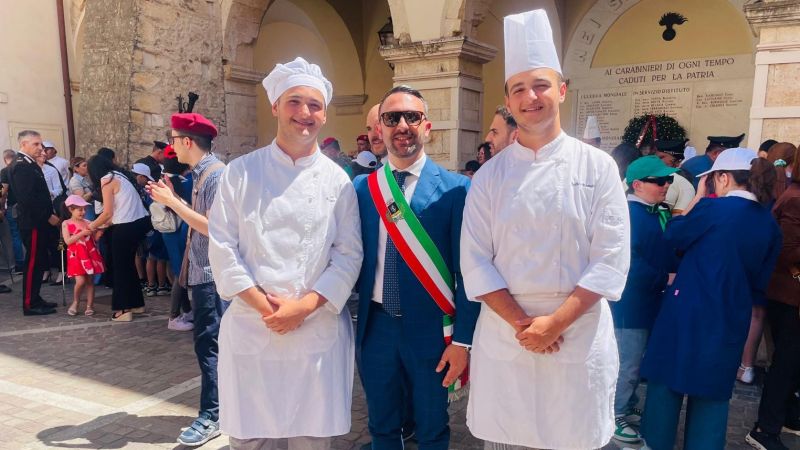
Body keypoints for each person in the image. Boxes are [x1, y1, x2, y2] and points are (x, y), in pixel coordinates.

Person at [460, 10, 630, 449]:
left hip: (575, 337)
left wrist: (554, 323)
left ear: (562, 89)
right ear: (509, 99)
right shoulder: (489, 177)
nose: (530, 96)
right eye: (519, 88)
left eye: (540, 84)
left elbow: (610, 260)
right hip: (506, 336)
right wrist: (524, 324)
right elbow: (475, 262)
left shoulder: (599, 168)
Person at [208, 57, 362, 450]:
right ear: (275, 106)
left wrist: (303, 308)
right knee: (251, 441)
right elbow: (222, 247)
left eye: (314, 105)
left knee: (311, 440)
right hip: (251, 330)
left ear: (324, 115)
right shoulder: (239, 173)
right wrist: (264, 306)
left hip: (316, 335)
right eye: (294, 102)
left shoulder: (338, 181)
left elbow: (348, 255)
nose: (304, 113)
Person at [354, 85, 479, 450]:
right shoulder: (363, 189)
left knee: (432, 429)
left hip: (431, 331)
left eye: (412, 116)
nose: (402, 125)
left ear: (427, 127)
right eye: (392, 118)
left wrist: (462, 341)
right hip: (377, 326)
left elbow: (468, 272)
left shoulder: (456, 189)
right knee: (382, 426)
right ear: (380, 128)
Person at [638, 148, 781, 450]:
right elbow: (760, 282)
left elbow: (674, 235)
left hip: (685, 312)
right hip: (731, 317)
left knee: (665, 390)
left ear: (724, 178)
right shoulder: (769, 224)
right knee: (712, 399)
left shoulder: (712, 210)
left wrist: (697, 198)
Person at [148, 112, 228, 446]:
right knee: (209, 345)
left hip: (211, 275)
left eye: (173, 139)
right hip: (202, 273)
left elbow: (214, 229)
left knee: (210, 346)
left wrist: (172, 203)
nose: (170, 147)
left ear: (187, 142)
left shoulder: (215, 175)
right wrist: (175, 200)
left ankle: (213, 415)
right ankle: (221, 410)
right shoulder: (202, 173)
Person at [611, 156, 679, 444]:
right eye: (659, 181)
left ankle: (624, 405)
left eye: (668, 180)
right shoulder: (629, 215)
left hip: (646, 303)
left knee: (633, 362)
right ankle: (613, 414)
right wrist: (663, 279)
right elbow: (629, 263)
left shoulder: (651, 212)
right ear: (637, 185)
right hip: (631, 305)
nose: (666, 185)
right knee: (627, 363)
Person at [747, 148, 800, 450]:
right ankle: (765, 429)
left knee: (793, 361)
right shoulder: (795, 198)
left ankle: (789, 416)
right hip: (789, 292)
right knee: (786, 363)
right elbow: (788, 250)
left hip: (788, 291)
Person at [87, 154, 151, 322]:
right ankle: (136, 304)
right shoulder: (120, 176)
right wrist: (101, 227)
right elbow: (116, 211)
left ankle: (123, 309)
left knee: (120, 268)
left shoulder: (107, 181)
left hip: (125, 227)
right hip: (140, 222)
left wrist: (91, 227)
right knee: (128, 266)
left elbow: (108, 212)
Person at [8, 130, 60, 315]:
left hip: (38, 221)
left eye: (41, 144)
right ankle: (30, 303)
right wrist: (48, 216)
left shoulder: (30, 164)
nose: (40, 148)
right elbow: (28, 199)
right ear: (24, 145)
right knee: (32, 264)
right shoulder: (22, 166)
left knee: (39, 262)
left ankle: (36, 298)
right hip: (33, 223)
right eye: (36, 144)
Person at [158, 150, 194, 332]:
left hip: (170, 230)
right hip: (181, 229)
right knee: (181, 274)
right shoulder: (185, 181)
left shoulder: (164, 179)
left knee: (179, 270)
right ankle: (174, 316)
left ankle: (186, 310)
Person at [62, 195, 104, 316]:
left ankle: (90, 305)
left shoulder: (89, 222)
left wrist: (98, 234)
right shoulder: (66, 223)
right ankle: (76, 302)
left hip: (89, 253)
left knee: (90, 281)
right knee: (80, 281)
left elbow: (93, 239)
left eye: (84, 209)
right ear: (71, 209)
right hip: (76, 255)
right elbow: (68, 241)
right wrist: (82, 233)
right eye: (80, 209)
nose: (83, 212)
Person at [132, 163, 170, 297]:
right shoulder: (153, 188)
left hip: (148, 225)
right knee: (158, 257)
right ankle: (159, 285)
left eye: (136, 175)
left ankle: (152, 285)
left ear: (142, 176)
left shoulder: (143, 189)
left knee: (151, 256)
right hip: (157, 225)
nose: (135, 178)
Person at [653, 139, 696, 215]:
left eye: (661, 157)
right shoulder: (641, 174)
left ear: (676, 160)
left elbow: (679, 218)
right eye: (654, 157)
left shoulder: (683, 183)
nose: (655, 160)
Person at [1, 149, 24, 274]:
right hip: (25, 206)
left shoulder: (4, 171)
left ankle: (20, 263)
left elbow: (3, 191)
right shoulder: (22, 169)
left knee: (15, 234)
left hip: (12, 206)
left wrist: (1, 206)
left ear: (5, 159)